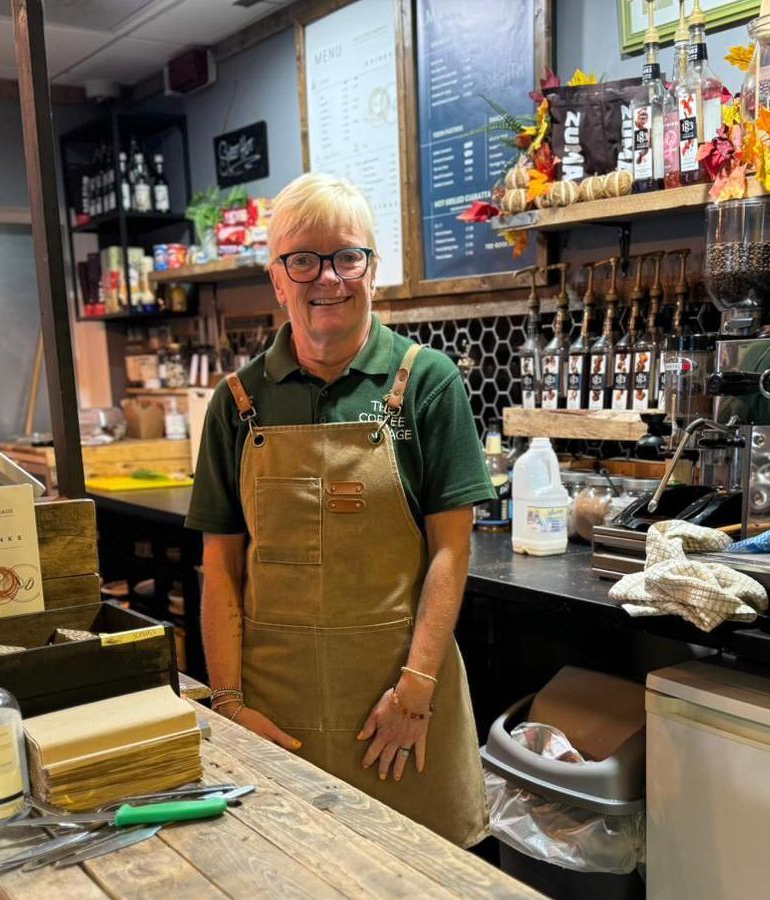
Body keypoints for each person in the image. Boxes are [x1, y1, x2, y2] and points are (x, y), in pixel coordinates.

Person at [186, 173, 494, 847]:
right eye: (303, 259)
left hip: (404, 703)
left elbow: (451, 550)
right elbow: (220, 566)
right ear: (277, 279)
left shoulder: (428, 382)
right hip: (275, 708)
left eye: (347, 256)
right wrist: (229, 703)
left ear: (372, 271)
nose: (328, 278)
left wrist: (415, 690)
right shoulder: (238, 403)